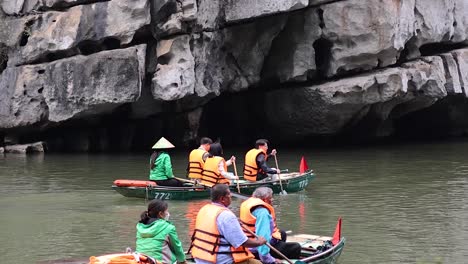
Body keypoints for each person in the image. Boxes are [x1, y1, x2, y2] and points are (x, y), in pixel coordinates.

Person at [191, 184, 266, 264]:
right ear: (222, 199)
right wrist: (259, 242)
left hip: (200, 258)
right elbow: (243, 242)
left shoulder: (204, 209)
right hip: (220, 260)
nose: (231, 197)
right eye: (229, 195)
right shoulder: (227, 216)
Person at [239, 187, 301, 264]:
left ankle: (278, 253)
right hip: (256, 249)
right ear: (264, 199)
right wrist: (268, 260)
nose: (272, 200)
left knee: (282, 233)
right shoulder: (262, 212)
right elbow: (263, 237)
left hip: (249, 243)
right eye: (270, 198)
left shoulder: (248, 203)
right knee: (296, 247)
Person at [136, 199, 187, 264]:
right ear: (160, 214)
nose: (168, 213)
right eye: (166, 211)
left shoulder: (140, 226)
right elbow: (177, 247)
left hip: (141, 261)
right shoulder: (168, 227)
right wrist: (182, 260)